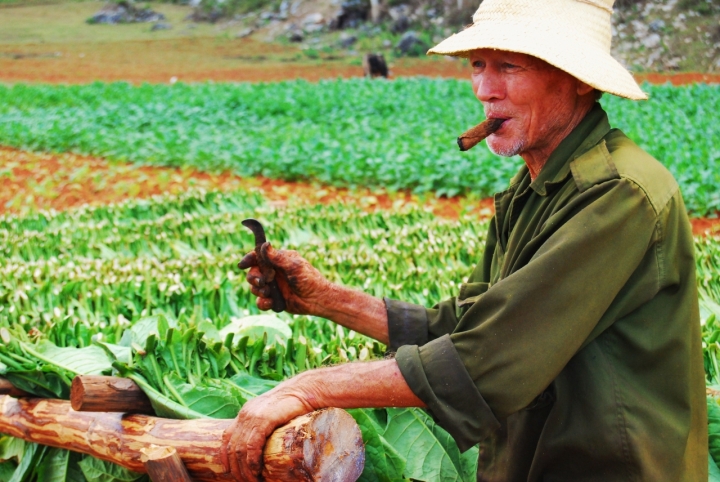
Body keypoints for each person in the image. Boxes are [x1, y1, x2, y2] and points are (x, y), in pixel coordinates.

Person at [225, 0, 707, 480]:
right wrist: (329, 300)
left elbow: (485, 360)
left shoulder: (618, 194)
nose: (484, 90)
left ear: (578, 78)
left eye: (509, 67)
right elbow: (466, 326)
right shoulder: (533, 187)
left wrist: (306, 388)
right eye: (478, 65)